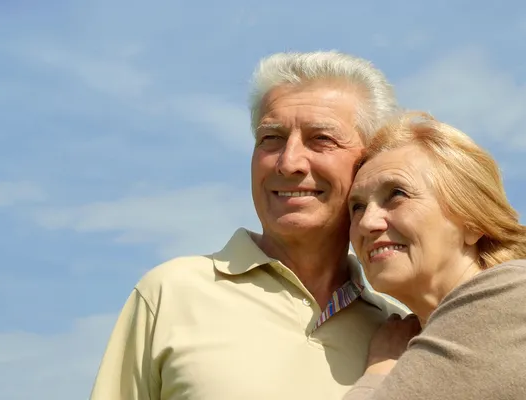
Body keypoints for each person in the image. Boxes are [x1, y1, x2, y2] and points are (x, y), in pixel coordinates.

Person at [89, 51, 409, 400]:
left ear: (369, 164)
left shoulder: (402, 333)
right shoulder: (170, 293)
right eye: (271, 138)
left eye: (322, 139)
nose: (288, 163)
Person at [343, 113, 526, 400]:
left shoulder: (511, 294)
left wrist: (380, 369)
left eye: (397, 194)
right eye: (357, 207)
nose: (367, 222)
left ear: (473, 221)